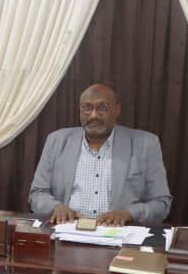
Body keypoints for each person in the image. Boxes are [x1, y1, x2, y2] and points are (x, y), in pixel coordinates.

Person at [28, 84, 172, 226]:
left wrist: (128, 213)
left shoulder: (145, 144)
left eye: (102, 108)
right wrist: (56, 207)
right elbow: (37, 194)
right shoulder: (57, 141)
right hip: (67, 229)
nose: (94, 115)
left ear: (117, 110)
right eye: (87, 108)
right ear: (79, 110)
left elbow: (161, 203)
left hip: (119, 233)